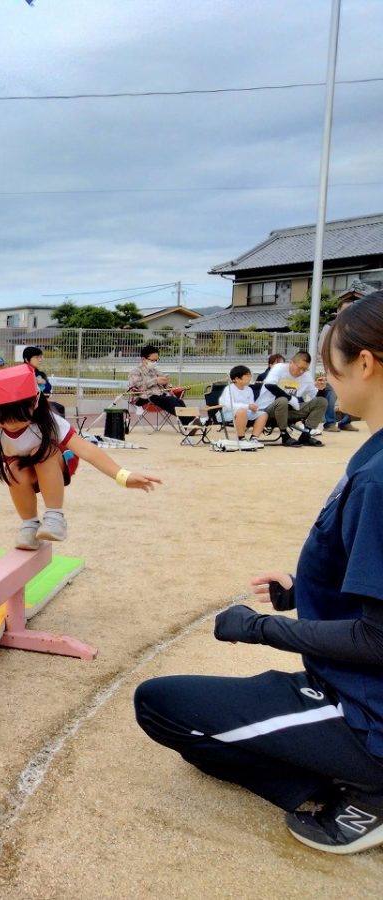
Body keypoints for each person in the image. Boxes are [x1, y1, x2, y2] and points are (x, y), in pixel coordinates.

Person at [134, 289, 383, 856]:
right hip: (357, 688)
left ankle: (368, 791)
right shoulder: (372, 455)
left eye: (329, 366)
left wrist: (259, 628)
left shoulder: (378, 477)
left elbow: (378, 638)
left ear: (365, 363)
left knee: (159, 705)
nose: (324, 379)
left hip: (366, 710)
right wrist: (306, 589)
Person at [0, 365, 159, 549]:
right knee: (14, 470)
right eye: (4, 419)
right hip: (22, 466)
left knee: (42, 453)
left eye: (20, 418)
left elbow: (86, 449)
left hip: (55, 460)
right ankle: (29, 525)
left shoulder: (48, 419)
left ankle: (55, 517)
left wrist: (123, 475)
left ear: (35, 403)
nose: (12, 425)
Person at [260, 351, 327, 447]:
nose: (301, 372)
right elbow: (269, 385)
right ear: (291, 363)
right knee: (283, 400)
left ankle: (306, 435)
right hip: (268, 411)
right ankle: (285, 435)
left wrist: (321, 389)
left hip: (290, 411)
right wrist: (290, 398)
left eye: (305, 369)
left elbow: (316, 397)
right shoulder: (279, 368)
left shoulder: (306, 376)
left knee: (321, 401)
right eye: (299, 368)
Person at [320, 296, 359, 433]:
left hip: (351, 365)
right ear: (338, 311)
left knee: (350, 393)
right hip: (333, 365)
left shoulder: (355, 327)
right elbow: (322, 347)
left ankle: (346, 421)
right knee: (332, 394)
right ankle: (330, 423)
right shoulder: (329, 326)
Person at [128, 344, 190, 422]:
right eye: (152, 360)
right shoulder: (135, 372)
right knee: (169, 400)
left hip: (158, 396)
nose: (155, 363)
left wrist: (167, 384)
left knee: (179, 401)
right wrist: (155, 380)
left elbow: (165, 385)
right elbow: (137, 387)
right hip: (143, 398)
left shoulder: (155, 371)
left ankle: (189, 423)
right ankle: (190, 421)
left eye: (156, 360)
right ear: (143, 359)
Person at [217, 365, 267, 449]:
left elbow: (251, 404)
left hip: (245, 413)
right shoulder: (229, 389)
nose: (249, 378)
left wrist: (254, 408)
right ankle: (241, 438)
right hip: (227, 413)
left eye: (250, 376)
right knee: (241, 411)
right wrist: (247, 407)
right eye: (247, 376)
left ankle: (254, 438)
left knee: (263, 414)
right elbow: (229, 405)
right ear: (237, 379)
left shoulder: (249, 390)